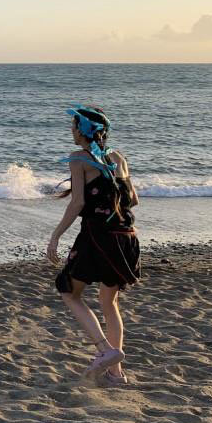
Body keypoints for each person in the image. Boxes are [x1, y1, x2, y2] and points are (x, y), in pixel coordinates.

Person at [47, 105, 140, 386]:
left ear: (84, 130)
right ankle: (116, 374)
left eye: (74, 125)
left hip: (98, 237)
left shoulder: (79, 159)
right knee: (109, 302)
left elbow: (77, 203)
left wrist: (55, 236)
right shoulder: (118, 157)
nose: (71, 130)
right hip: (126, 235)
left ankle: (105, 352)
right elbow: (133, 199)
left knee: (69, 291)